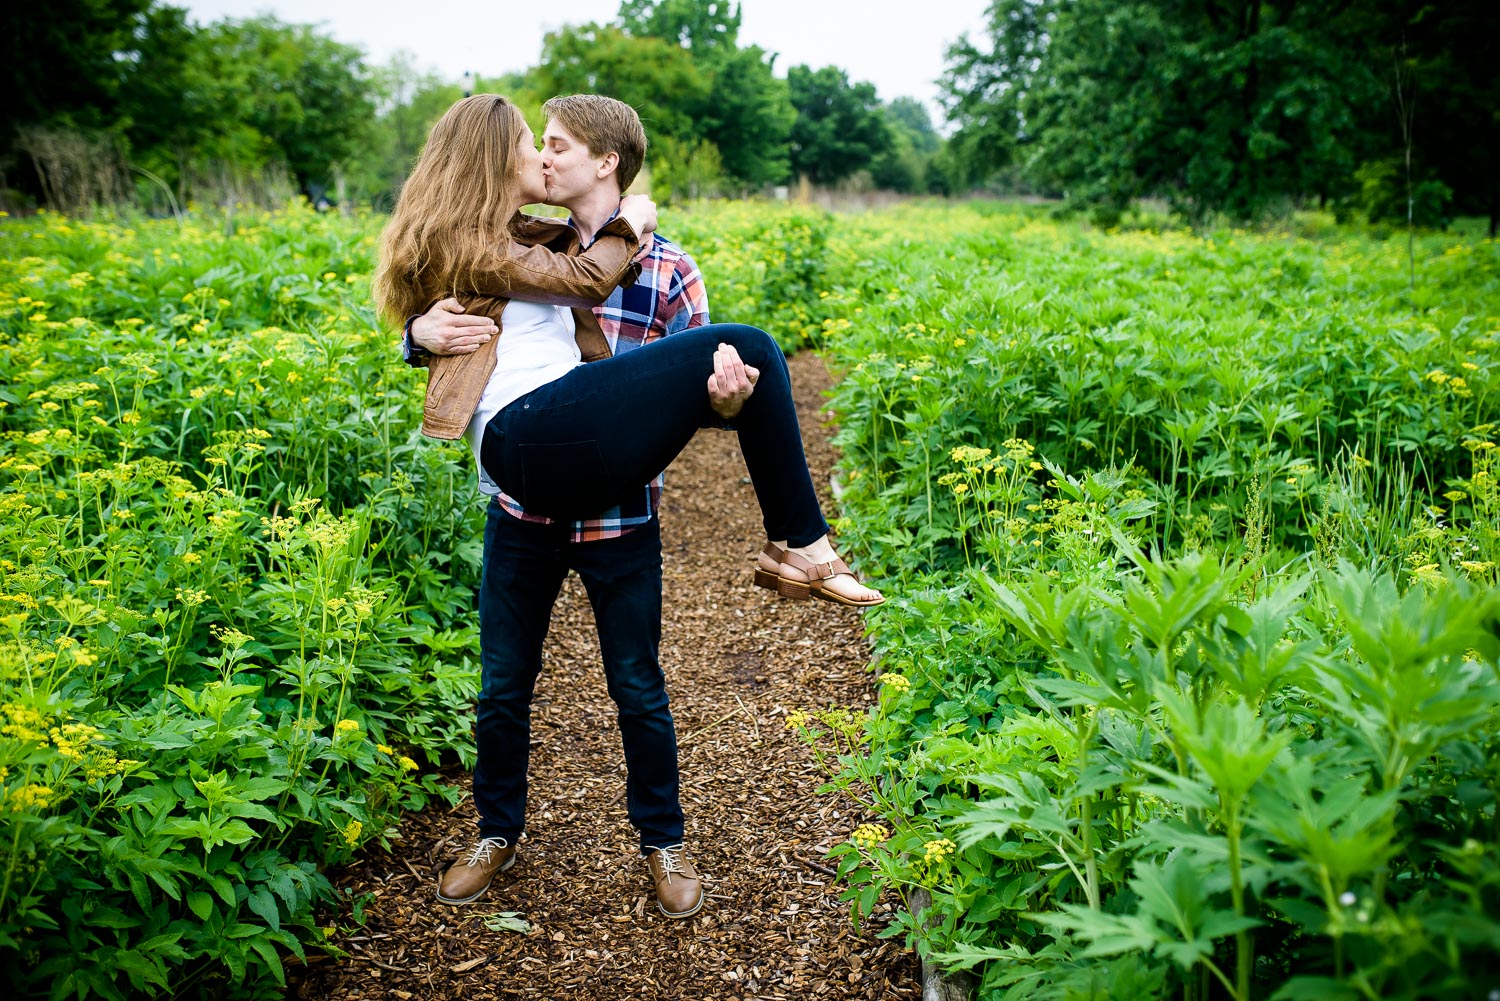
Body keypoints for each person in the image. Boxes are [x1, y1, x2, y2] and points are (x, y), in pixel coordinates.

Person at [373, 94, 882, 918]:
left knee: (638, 685)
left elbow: (711, 407)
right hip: (524, 507)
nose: (542, 158)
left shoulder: (667, 269)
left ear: (604, 162)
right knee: (503, 688)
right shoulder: (516, 247)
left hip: (619, 508)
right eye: (534, 145)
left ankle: (663, 839)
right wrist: (416, 335)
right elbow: (449, 306)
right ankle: (496, 830)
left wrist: (724, 398)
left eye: (557, 145)